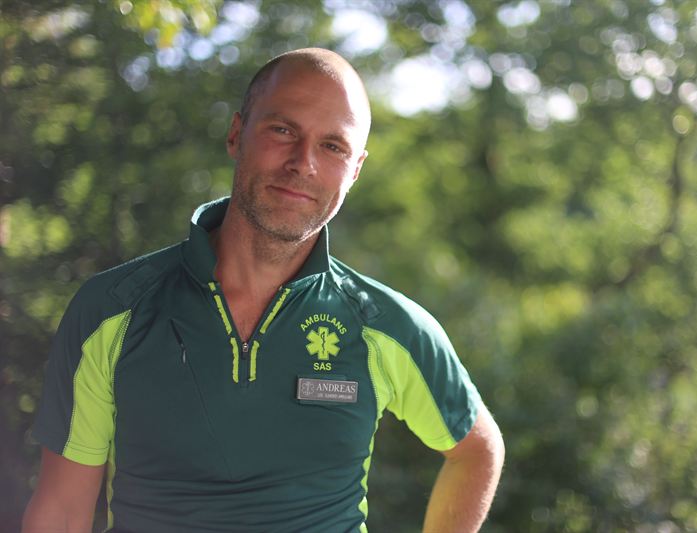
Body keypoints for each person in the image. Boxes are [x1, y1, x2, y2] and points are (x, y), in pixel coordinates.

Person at [23, 48, 504, 533]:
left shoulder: (385, 325)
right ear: (237, 134)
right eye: (283, 130)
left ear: (355, 169)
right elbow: (61, 513)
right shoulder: (113, 309)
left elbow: (476, 449)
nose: (303, 163)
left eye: (333, 146)